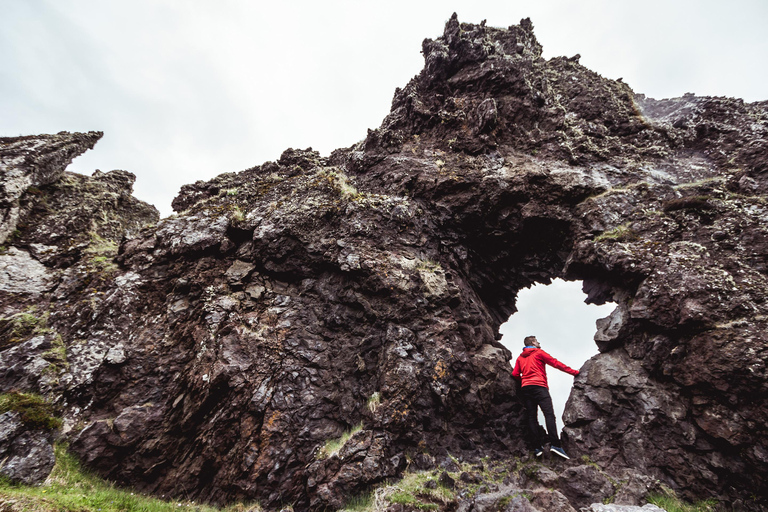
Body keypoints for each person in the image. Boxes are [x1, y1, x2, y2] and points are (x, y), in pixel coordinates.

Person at [511, 335, 579, 459]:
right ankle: (555, 445)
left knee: (532, 416)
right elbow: (555, 363)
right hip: (539, 387)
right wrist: (574, 372)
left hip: (526, 388)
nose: (539, 342)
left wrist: (524, 381)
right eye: (537, 341)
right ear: (532, 342)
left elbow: (515, 373)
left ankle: (537, 448)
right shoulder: (538, 353)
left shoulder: (520, 358)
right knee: (549, 415)